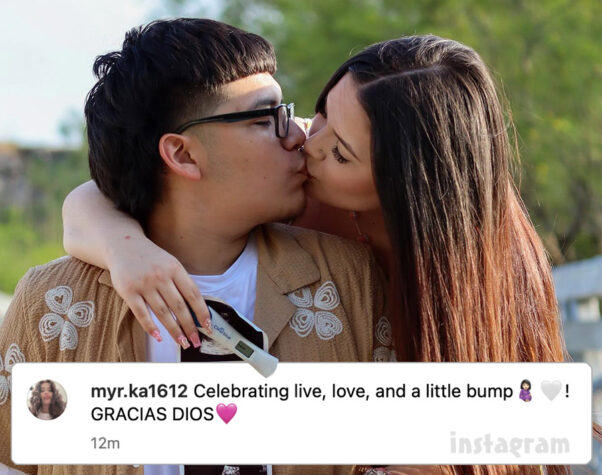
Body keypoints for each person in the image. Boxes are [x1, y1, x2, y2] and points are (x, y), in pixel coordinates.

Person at [63, 34, 592, 474]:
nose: (305, 143)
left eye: (339, 151)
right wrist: (124, 249)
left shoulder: (491, 270)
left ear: (405, 186)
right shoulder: (302, 188)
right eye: (318, 115)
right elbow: (112, 190)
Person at [0, 18, 389, 475]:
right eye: (265, 119)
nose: (297, 135)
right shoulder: (54, 303)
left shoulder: (349, 280)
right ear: (182, 155)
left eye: (287, 114)